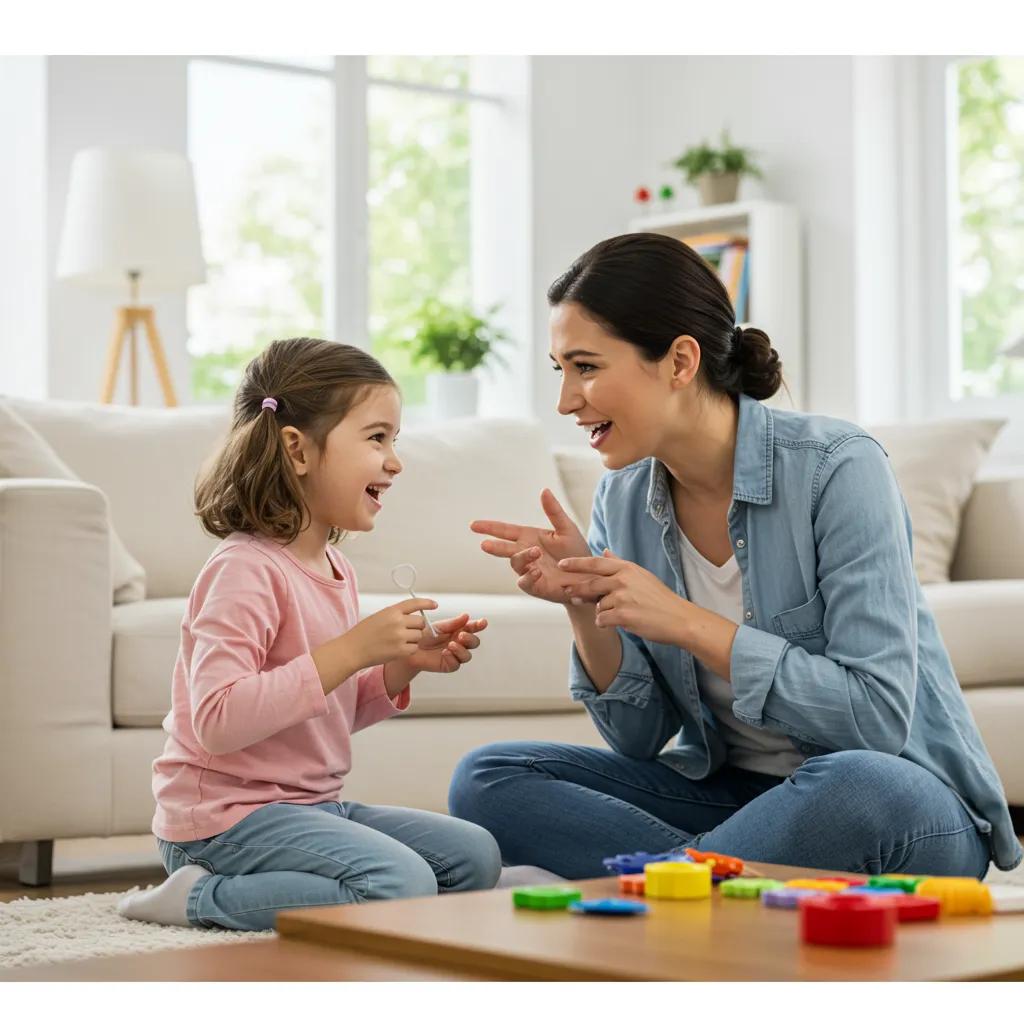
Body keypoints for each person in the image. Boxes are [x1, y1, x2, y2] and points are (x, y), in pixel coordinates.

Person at [450, 232, 1022, 880]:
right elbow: (639, 739)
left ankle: (666, 880)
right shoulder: (624, 496)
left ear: (679, 361)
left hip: (896, 798)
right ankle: (705, 876)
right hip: (741, 796)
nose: (565, 401)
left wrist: (688, 623)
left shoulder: (836, 468)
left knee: (859, 784)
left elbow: (877, 719)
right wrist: (586, 605)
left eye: (586, 367)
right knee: (489, 777)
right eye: (561, 371)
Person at [118, 337, 500, 931]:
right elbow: (218, 723)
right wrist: (350, 649)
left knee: (474, 857)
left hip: (311, 807)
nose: (395, 461)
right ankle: (195, 896)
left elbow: (325, 709)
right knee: (401, 883)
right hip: (222, 822)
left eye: (395, 440)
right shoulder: (243, 569)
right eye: (377, 438)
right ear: (297, 449)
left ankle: (304, 885)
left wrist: (400, 665)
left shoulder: (335, 568)